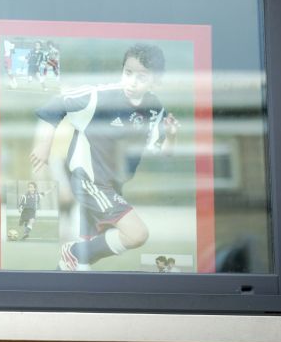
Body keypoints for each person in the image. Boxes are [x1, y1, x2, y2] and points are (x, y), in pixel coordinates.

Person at [29, 43, 179, 271]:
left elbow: (164, 153)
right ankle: (74, 253)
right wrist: (44, 145)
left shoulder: (155, 108)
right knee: (137, 234)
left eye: (142, 76)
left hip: (113, 184)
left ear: (155, 81)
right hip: (91, 181)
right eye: (128, 73)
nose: (132, 81)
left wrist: (171, 137)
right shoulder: (100, 96)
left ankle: (71, 262)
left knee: (87, 255)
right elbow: (56, 104)